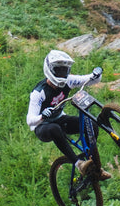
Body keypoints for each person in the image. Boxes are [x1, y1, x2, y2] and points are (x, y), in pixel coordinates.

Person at [26, 50, 111, 179]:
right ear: (50, 69)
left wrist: (96, 74)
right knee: (55, 129)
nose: (62, 73)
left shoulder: (68, 80)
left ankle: (94, 166)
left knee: (91, 125)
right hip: (43, 127)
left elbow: (88, 80)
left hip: (60, 119)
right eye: (58, 70)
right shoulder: (39, 92)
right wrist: (42, 116)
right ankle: (79, 164)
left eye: (64, 70)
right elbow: (30, 120)